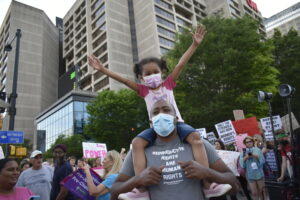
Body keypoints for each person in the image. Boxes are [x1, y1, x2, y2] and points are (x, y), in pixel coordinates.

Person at [88, 25, 231, 199]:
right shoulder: (143, 91)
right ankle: (141, 190)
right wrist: (102, 70)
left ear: (162, 73)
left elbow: (180, 64)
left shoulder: (168, 84)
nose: (152, 76)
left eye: (155, 72)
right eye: (147, 74)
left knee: (195, 139)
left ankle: (207, 184)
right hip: (154, 127)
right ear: (141, 78)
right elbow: (124, 80)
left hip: (177, 123)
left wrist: (194, 45)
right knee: (137, 143)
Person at [111, 100, 239, 200]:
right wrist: (137, 180)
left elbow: (234, 185)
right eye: (156, 112)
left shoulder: (200, 145)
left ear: (176, 118)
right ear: (151, 121)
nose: (161, 115)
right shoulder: (138, 151)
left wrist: (207, 173)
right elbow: (114, 192)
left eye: (166, 110)